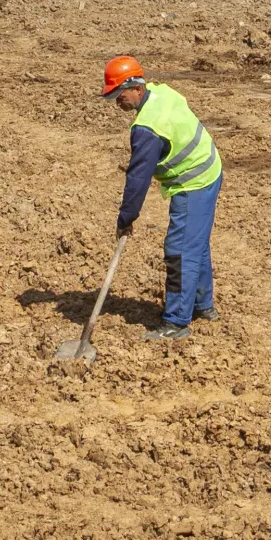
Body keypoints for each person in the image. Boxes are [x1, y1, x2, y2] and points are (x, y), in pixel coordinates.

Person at [102, 56, 223, 335]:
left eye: (119, 95)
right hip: (210, 168)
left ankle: (176, 322)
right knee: (195, 243)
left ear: (136, 88)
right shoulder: (162, 92)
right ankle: (202, 306)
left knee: (180, 249)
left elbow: (138, 180)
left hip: (194, 182)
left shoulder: (147, 128)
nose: (116, 102)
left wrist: (126, 218)